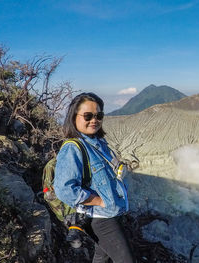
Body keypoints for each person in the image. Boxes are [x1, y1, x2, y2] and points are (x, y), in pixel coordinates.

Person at [54, 92, 134, 263]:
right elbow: (64, 189)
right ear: (74, 117)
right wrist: (98, 201)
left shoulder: (98, 143)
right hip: (100, 218)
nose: (94, 120)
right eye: (88, 116)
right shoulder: (73, 148)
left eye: (99, 115)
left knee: (101, 257)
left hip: (111, 213)